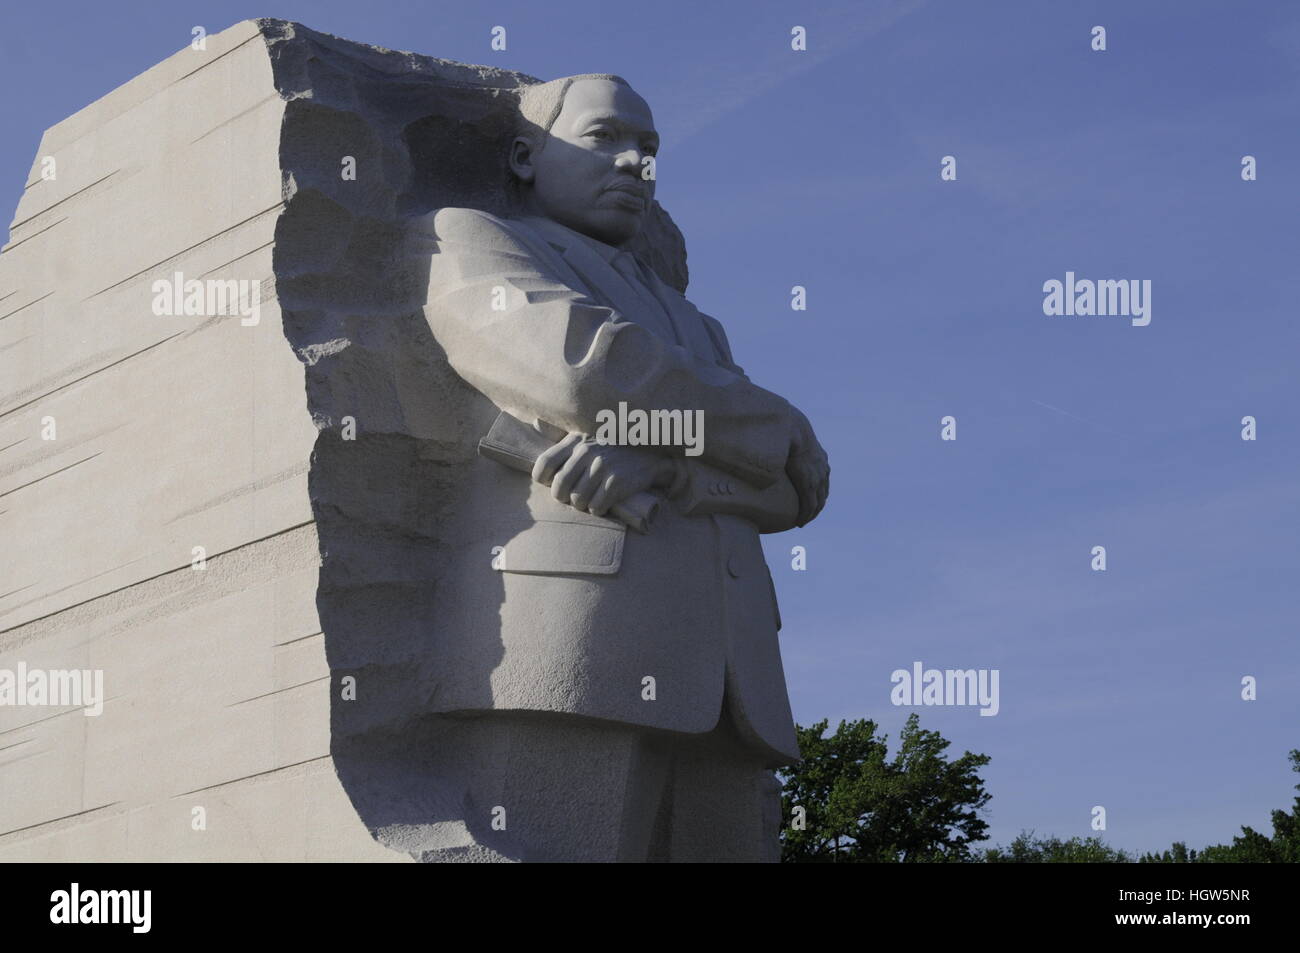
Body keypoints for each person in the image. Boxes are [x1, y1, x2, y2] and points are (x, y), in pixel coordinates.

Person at [412, 73, 829, 862]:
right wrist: (766, 419)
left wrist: (671, 468)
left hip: (736, 685)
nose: (637, 163)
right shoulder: (470, 237)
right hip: (580, 647)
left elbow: (797, 485)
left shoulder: (698, 327)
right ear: (528, 156)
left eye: (650, 149)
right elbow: (581, 370)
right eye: (606, 138)